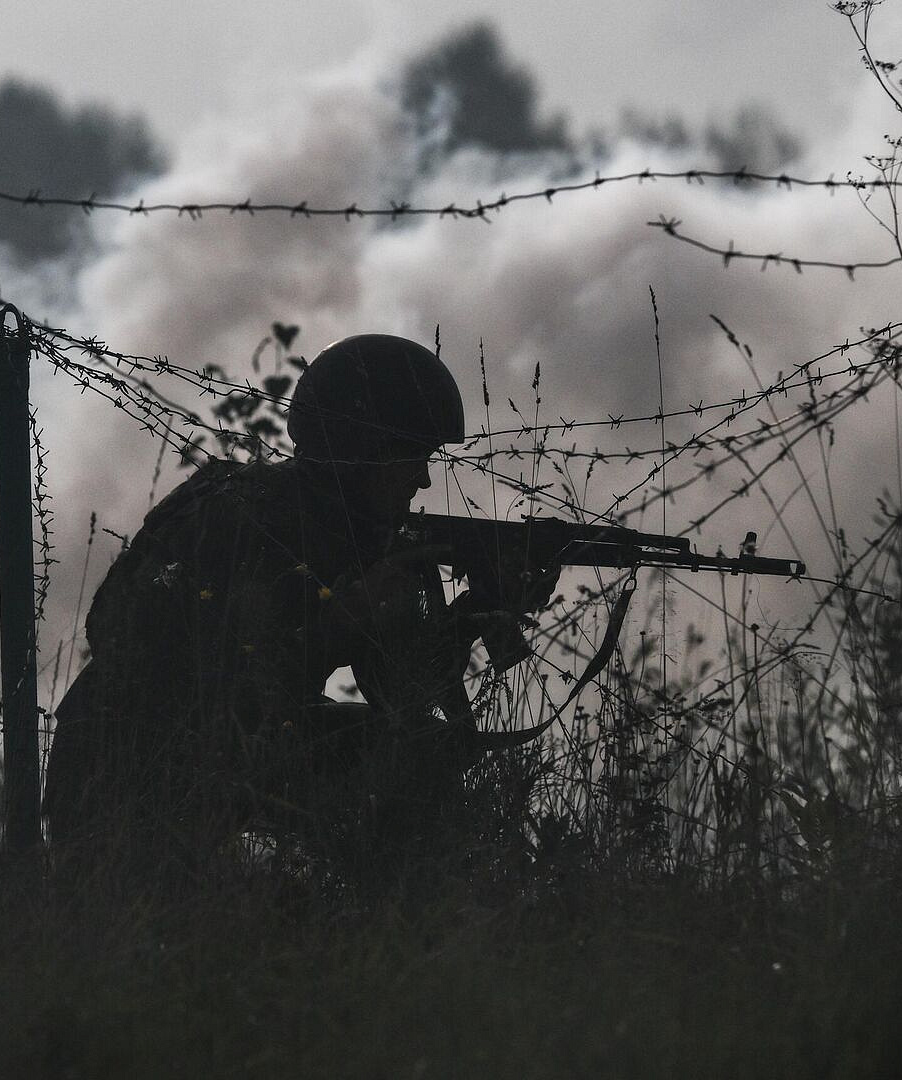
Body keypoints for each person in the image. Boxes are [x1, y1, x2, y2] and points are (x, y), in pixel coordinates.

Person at [44, 334, 545, 854]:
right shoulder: (244, 516)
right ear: (360, 452)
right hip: (125, 770)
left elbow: (400, 694)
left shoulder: (359, 535)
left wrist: (476, 611)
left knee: (420, 755)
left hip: (228, 752)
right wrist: (334, 626)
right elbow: (189, 674)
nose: (421, 480)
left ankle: (393, 922)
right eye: (410, 458)